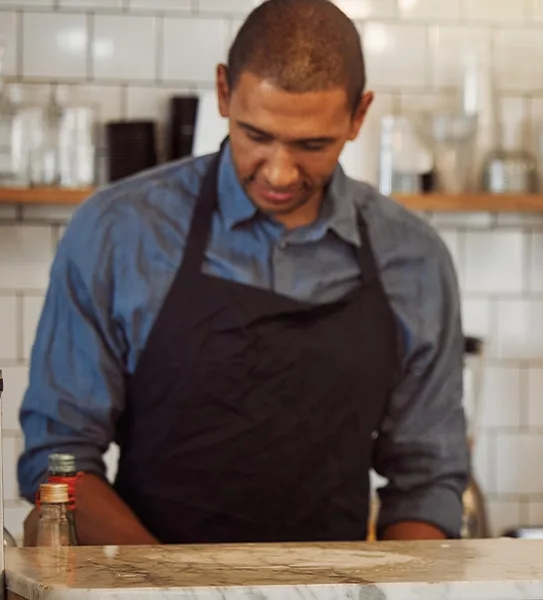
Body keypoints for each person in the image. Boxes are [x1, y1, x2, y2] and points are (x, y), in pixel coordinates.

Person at [17, 0, 468, 545]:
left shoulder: (415, 259)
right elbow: (60, 464)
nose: (279, 172)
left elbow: (425, 479)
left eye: (312, 145)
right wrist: (177, 590)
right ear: (224, 93)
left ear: (358, 116)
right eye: (256, 135)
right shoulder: (119, 233)